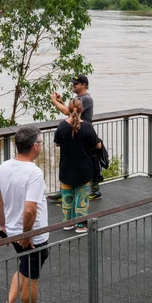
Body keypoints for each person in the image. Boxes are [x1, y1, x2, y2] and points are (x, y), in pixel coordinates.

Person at [0, 126, 52, 303]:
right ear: (35, 146)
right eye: (41, 143)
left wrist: (4, 227)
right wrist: (28, 236)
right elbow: (30, 209)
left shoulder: (3, 167)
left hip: (13, 232)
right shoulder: (34, 173)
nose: (42, 147)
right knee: (32, 278)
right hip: (33, 236)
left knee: (24, 267)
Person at [54, 98, 103, 232]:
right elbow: (97, 145)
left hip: (66, 167)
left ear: (68, 110)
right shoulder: (87, 127)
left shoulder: (62, 126)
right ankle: (81, 225)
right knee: (81, 197)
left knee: (67, 195)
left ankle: (68, 223)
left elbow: (57, 143)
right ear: (82, 110)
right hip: (83, 168)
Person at [52, 75, 101, 200]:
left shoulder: (86, 99)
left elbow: (67, 112)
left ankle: (93, 190)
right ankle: (66, 189)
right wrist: (62, 102)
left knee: (84, 162)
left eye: (76, 84)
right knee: (72, 161)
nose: (73, 85)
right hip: (77, 132)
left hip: (83, 134)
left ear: (83, 85)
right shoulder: (78, 98)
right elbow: (72, 110)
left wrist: (54, 101)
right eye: (73, 83)